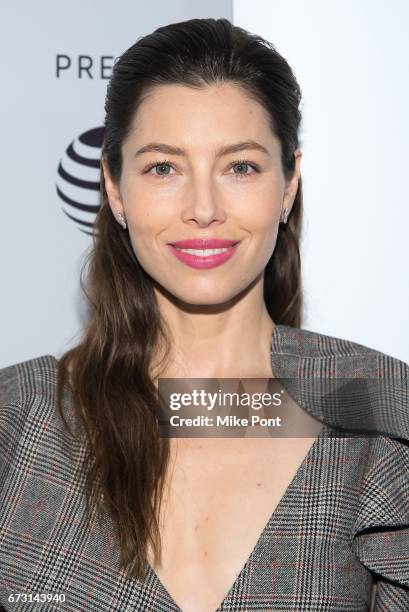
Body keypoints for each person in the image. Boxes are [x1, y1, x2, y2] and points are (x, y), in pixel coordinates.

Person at [0, 17, 408, 612]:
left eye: (240, 166)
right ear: (115, 188)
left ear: (289, 183)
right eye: (163, 167)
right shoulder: (18, 421)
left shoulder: (377, 425)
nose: (203, 209)